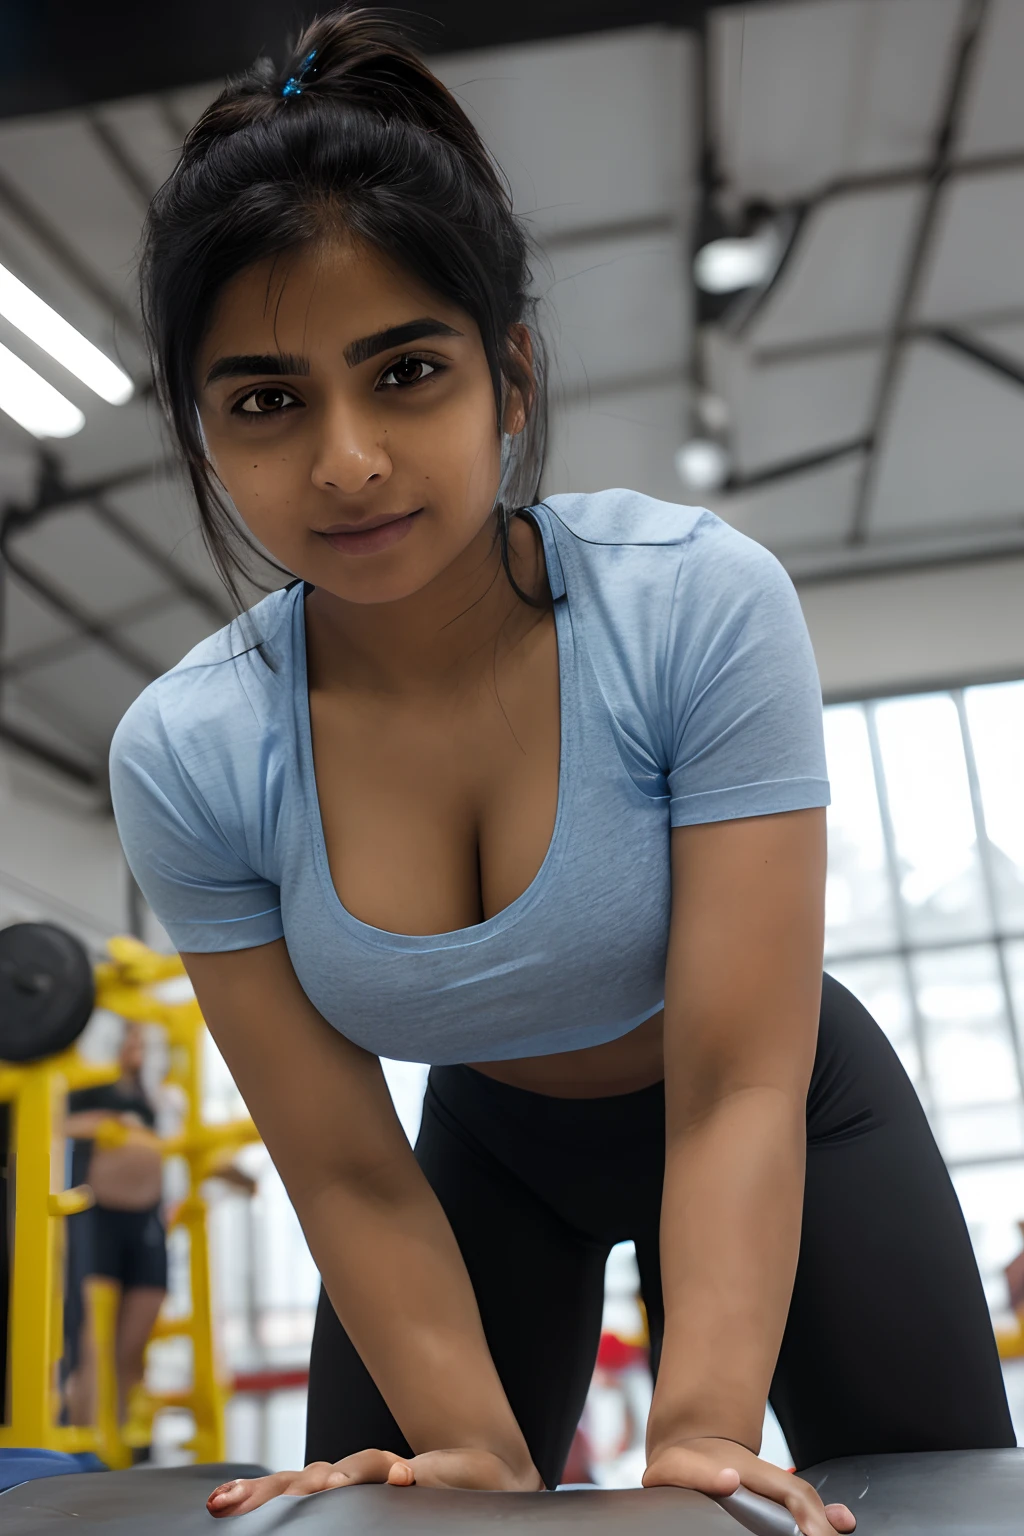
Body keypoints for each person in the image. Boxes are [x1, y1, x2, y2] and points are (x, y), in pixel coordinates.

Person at [109, 10, 1014, 1532]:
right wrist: (467, 1447)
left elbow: (736, 1081)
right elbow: (341, 1163)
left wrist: (708, 1433)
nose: (345, 460)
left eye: (405, 371)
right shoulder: (189, 753)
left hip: (782, 1105)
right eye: (266, 400)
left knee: (932, 1508)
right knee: (405, 1509)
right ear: (206, 438)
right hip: (482, 1159)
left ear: (509, 375)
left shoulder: (695, 606)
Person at [63, 1023, 168, 1429]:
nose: (135, 1048)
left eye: (142, 1040)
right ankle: (87, 1442)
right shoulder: (91, 1088)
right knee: (92, 1347)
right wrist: (106, 1124)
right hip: (100, 1221)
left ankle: (128, 1447)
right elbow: (53, 1122)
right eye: (130, 1039)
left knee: (132, 1350)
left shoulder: (159, 1098)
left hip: (147, 1225)